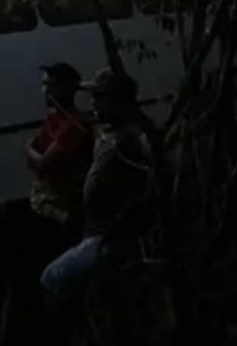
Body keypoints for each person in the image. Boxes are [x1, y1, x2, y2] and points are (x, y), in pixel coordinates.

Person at [39, 68, 153, 300]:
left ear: (118, 101)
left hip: (112, 236)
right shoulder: (107, 133)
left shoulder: (133, 139)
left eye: (99, 98)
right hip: (94, 227)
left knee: (52, 278)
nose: (93, 104)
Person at [25, 63, 94, 258]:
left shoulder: (74, 125)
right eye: (45, 85)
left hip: (67, 210)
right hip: (49, 207)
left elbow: (43, 162)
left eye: (52, 85)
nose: (46, 90)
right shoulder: (53, 119)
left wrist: (29, 150)